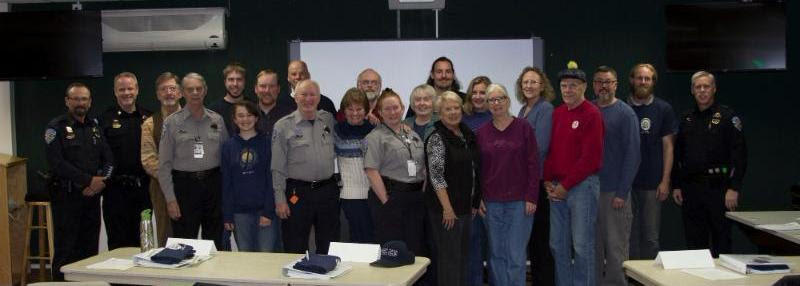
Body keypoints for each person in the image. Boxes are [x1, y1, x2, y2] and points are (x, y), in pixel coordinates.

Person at [672, 71, 747, 257]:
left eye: (706, 86)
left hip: (719, 189)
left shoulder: (727, 117)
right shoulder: (685, 119)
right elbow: (676, 154)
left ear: (714, 89)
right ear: (692, 90)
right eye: (698, 87)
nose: (702, 91)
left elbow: (740, 155)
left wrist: (734, 188)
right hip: (691, 190)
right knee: (695, 245)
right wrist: (676, 185)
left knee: (722, 243)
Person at [44, 82, 113, 281]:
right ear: (67, 101)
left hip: (91, 199)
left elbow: (109, 159)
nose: (80, 103)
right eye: (75, 99)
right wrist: (88, 181)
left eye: (84, 99)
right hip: (67, 198)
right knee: (66, 249)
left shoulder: (95, 127)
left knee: (89, 250)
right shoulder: (55, 128)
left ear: (90, 102)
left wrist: (102, 182)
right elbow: (57, 163)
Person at [544, 62, 604, 286]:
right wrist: (548, 181)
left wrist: (565, 186)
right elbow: (552, 151)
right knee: (557, 244)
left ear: (584, 87)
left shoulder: (592, 114)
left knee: (581, 246)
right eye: (564, 86)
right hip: (557, 188)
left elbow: (591, 159)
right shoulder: (558, 113)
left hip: (582, 187)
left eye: (573, 85)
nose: (568, 90)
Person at [477, 83, 540, 286]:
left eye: (500, 98)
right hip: (491, 203)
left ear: (508, 100)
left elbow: (533, 164)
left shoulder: (524, 127)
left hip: (520, 203)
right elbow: (476, 170)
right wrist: (477, 198)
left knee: (515, 255)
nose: (496, 103)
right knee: (496, 254)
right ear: (487, 105)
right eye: (491, 100)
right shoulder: (481, 133)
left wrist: (532, 196)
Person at [158, 72, 229, 248]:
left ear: (205, 91)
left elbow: (227, 159)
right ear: (182, 92)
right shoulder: (171, 123)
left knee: (214, 242)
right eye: (190, 89)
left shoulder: (217, 120)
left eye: (199, 89)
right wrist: (170, 200)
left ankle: (211, 276)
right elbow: (164, 166)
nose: (195, 93)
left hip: (213, 186)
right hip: (184, 188)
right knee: (184, 243)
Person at [271, 79, 339, 254]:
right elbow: (277, 166)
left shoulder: (328, 119)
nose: (308, 99)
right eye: (303, 94)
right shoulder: (283, 125)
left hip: (327, 190)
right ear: (295, 97)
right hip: (297, 193)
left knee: (329, 243)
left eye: (312, 95)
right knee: (295, 244)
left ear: (318, 97)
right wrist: (280, 200)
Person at [425, 91, 481, 286]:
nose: (453, 112)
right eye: (447, 109)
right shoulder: (437, 138)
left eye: (456, 107)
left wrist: (475, 200)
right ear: (439, 113)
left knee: (462, 260)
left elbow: (474, 171)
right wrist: (447, 209)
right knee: (449, 262)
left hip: (465, 208)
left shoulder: (466, 135)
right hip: (447, 211)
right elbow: (436, 176)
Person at [592, 66, 640, 286]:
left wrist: (622, 192)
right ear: (593, 85)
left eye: (608, 82)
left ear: (616, 85)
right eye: (600, 81)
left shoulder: (625, 113)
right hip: (589, 191)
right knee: (592, 247)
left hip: (614, 194)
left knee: (615, 248)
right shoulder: (588, 110)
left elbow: (633, 155)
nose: (604, 86)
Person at [364, 88, 427, 255]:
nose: (392, 112)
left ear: (403, 108)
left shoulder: (412, 134)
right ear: (380, 112)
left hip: (414, 199)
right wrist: (386, 202)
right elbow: (371, 171)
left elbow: (422, 166)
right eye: (387, 109)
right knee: (393, 251)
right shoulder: (375, 137)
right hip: (391, 197)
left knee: (416, 249)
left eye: (396, 107)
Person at [627, 63, 678, 260]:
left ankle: (646, 280)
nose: (643, 82)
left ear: (653, 82)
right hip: (627, 185)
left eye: (647, 78)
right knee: (629, 236)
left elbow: (669, 147)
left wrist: (665, 180)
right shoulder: (623, 107)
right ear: (632, 80)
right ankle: (631, 278)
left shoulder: (663, 109)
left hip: (653, 184)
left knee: (650, 237)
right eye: (639, 78)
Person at [98, 72, 152, 250]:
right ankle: (117, 279)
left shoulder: (148, 118)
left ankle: (141, 278)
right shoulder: (104, 120)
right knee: (117, 243)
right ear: (115, 92)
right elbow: (99, 156)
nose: (126, 93)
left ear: (137, 90)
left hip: (143, 190)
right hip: (115, 192)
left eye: (130, 88)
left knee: (144, 241)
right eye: (122, 89)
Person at [515, 66, 556, 286]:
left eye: (533, 82)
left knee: (541, 241)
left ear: (542, 86)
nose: (529, 86)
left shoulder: (545, 109)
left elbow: (540, 147)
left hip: (540, 183)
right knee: (532, 241)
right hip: (526, 183)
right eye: (525, 82)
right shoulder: (523, 110)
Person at [221, 101, 278, 252]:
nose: (245, 119)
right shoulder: (228, 146)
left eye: (249, 115)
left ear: (256, 118)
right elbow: (227, 182)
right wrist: (228, 215)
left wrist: (268, 211)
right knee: (245, 258)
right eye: (240, 116)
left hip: (264, 211)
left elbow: (272, 179)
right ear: (234, 119)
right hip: (239, 214)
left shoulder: (267, 143)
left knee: (266, 256)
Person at [141, 72, 182, 247]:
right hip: (162, 187)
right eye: (163, 89)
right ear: (158, 94)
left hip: (191, 185)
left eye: (172, 88)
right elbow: (149, 160)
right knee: (167, 235)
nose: (168, 93)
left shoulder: (195, 119)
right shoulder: (150, 123)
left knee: (190, 233)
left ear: (180, 92)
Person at [461, 75, 492, 286]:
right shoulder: (461, 120)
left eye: (483, 92)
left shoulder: (498, 117)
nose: (479, 96)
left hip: (495, 193)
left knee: (495, 249)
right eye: (475, 92)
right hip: (470, 194)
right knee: (472, 248)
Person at [334, 88, 376, 243]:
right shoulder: (337, 130)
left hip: (373, 194)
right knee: (356, 239)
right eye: (350, 109)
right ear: (344, 111)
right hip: (349, 195)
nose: (355, 113)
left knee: (372, 238)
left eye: (359, 109)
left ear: (366, 110)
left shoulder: (374, 131)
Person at [210, 62, 251, 135]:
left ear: (244, 82)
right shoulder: (213, 110)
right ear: (225, 82)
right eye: (231, 79)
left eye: (239, 79)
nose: (235, 84)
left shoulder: (253, 106)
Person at [254, 69, 293, 136]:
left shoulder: (290, 116)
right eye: (263, 86)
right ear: (256, 89)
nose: (267, 91)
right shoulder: (247, 115)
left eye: (272, 86)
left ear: (278, 89)